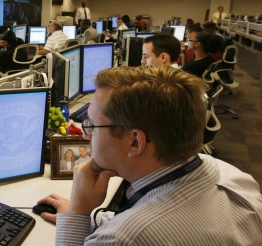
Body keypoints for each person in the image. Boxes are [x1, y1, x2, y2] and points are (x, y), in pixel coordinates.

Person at [37, 66, 262, 245]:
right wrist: (95, 220)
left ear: (135, 142)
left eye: (93, 126)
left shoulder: (123, 238)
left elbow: (135, 232)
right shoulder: (231, 174)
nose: (87, 136)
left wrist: (77, 211)